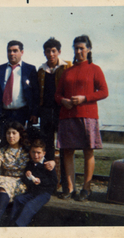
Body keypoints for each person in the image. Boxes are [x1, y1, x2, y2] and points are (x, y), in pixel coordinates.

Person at [54, 35, 108, 201]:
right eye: (76, 48)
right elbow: (57, 94)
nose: (78, 51)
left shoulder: (95, 69)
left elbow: (104, 92)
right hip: (67, 116)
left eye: (81, 48)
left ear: (88, 49)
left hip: (87, 115)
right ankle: (70, 188)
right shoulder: (67, 71)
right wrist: (63, 100)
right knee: (68, 152)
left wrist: (85, 98)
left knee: (88, 151)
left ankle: (86, 188)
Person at [0, 40, 39, 138]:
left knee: (22, 141)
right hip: (3, 114)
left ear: (22, 52)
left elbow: (36, 93)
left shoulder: (30, 69)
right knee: (4, 141)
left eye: (15, 51)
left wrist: (34, 113)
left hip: (22, 113)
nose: (12, 53)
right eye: (9, 51)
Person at [37, 38, 72, 193]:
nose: (50, 54)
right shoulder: (41, 70)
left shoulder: (67, 67)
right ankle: (51, 184)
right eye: (47, 51)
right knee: (47, 148)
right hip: (45, 112)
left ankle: (66, 185)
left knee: (64, 148)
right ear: (44, 52)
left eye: (53, 51)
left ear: (59, 51)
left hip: (62, 112)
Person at [0, 121, 30, 227]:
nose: (11, 136)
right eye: (8, 133)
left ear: (20, 135)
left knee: (3, 187)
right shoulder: (2, 149)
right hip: (5, 178)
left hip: (20, 181)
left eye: (14, 133)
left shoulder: (26, 150)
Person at [9, 139, 57, 226]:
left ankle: (19, 226)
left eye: (38, 153)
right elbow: (25, 179)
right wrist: (28, 176)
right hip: (32, 192)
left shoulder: (48, 165)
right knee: (18, 199)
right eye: (33, 152)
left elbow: (53, 182)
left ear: (44, 153)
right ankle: (12, 223)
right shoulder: (30, 163)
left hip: (44, 193)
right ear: (30, 152)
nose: (36, 155)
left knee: (30, 206)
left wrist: (41, 181)